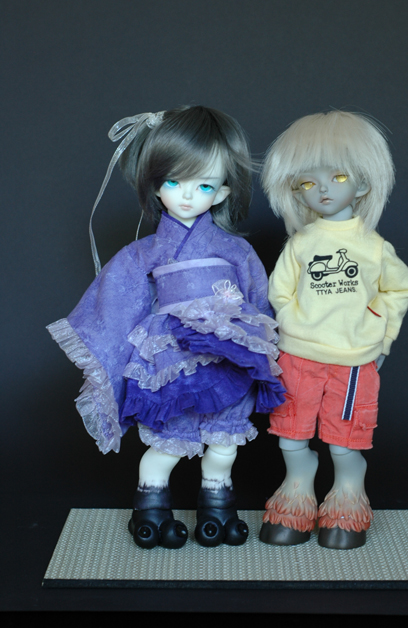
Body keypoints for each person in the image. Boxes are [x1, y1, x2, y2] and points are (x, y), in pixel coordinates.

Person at [47, 105, 285, 549]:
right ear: (155, 185)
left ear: (222, 191)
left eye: (204, 185)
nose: (188, 196)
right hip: (172, 356)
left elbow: (260, 301)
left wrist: (264, 349)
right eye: (174, 182)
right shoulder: (147, 252)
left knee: (225, 442)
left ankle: (218, 507)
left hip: (229, 358)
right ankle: (152, 508)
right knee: (167, 442)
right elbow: (117, 299)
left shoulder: (235, 251)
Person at [259, 110, 408, 549]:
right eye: (307, 182)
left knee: (344, 442)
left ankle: (348, 496)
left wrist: (381, 337)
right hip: (297, 358)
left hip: (351, 363)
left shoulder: (373, 246)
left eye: (338, 176)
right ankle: (296, 493)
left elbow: (400, 288)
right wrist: (292, 326)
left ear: (363, 185)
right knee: (290, 435)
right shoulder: (301, 243)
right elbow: (278, 292)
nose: (323, 189)